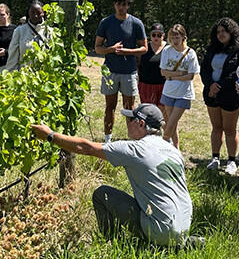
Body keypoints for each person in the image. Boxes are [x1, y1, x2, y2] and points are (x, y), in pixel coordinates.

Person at [30, 104, 199, 247]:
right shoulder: (174, 151)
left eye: (129, 120)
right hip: (184, 227)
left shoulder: (135, 150)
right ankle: (181, 243)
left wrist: (50, 136)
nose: (127, 124)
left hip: (162, 231)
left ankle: (114, 245)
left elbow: (86, 147)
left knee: (102, 194)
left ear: (141, 124)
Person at [94, 0, 147, 143]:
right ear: (114, 5)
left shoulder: (136, 23)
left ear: (128, 6)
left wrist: (127, 51)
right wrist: (111, 49)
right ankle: (107, 139)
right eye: (118, 4)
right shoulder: (106, 22)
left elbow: (144, 48)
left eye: (124, 4)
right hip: (110, 70)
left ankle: (132, 138)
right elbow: (98, 48)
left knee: (129, 107)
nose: (121, 7)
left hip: (129, 71)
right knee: (109, 106)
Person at [200, 18, 239, 175]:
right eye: (218, 31)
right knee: (216, 128)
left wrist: (218, 85)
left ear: (232, 32)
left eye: (224, 31)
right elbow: (204, 70)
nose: (221, 34)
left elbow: (238, 73)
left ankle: (231, 161)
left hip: (230, 95)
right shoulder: (211, 49)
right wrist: (210, 85)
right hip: (211, 94)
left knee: (229, 129)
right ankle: (215, 158)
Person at [160, 24, 200, 148]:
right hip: (168, 91)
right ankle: (175, 149)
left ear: (183, 37)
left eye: (177, 37)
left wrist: (171, 76)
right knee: (172, 123)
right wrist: (178, 74)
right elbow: (163, 72)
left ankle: (162, 144)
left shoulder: (190, 53)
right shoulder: (167, 50)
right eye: (172, 38)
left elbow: (190, 76)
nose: (174, 41)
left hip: (183, 93)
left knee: (172, 122)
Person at [6, 0, 53, 71]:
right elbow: (13, 57)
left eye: (38, 13)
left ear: (43, 13)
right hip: (25, 75)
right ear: (28, 13)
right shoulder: (20, 31)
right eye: (32, 13)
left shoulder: (50, 31)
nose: (35, 16)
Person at [137, 22, 167, 118]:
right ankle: (148, 133)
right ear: (150, 35)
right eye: (153, 35)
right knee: (148, 113)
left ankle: (162, 133)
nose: (156, 37)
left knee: (163, 113)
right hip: (146, 84)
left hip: (164, 85)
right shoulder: (144, 48)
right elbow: (138, 64)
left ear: (163, 35)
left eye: (159, 35)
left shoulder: (168, 48)